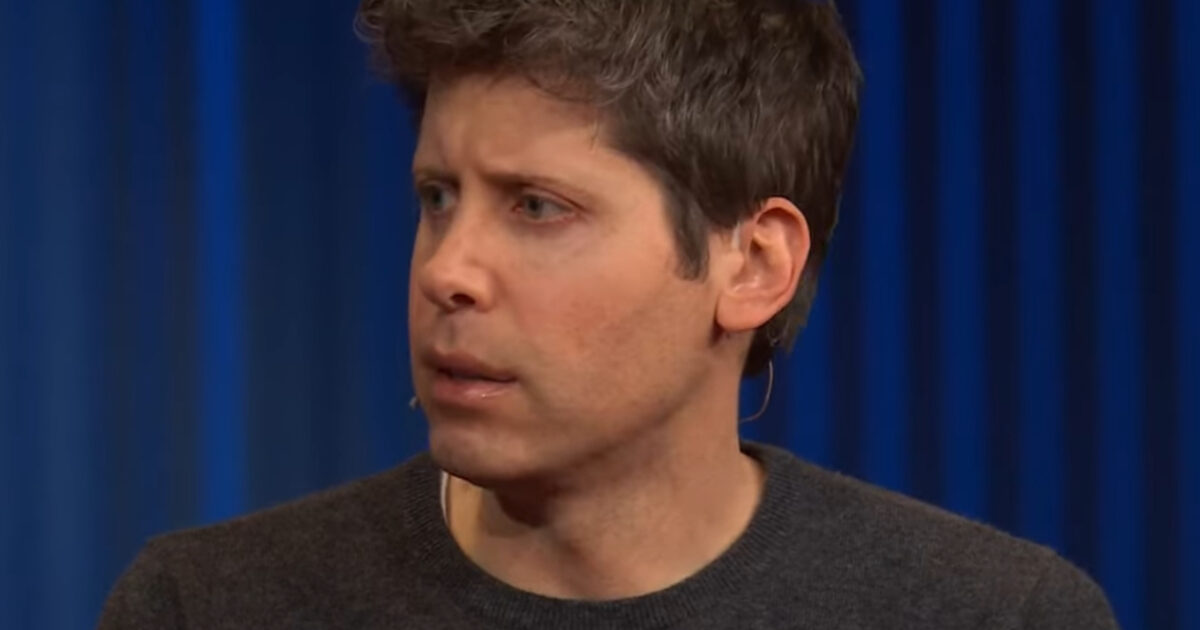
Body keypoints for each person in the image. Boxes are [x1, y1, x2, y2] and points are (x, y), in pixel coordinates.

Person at [99, 1, 1119, 628]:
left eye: (538, 208)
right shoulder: (206, 608)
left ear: (753, 264)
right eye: (437, 197)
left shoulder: (993, 616)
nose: (447, 270)